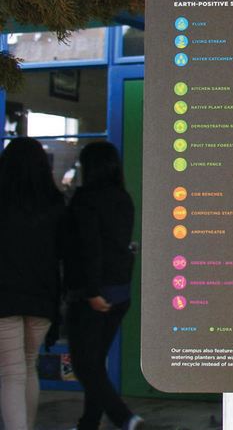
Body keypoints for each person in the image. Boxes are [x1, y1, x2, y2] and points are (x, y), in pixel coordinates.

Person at [64, 141, 143, 430]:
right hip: (120, 292)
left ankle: (126, 419)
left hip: (94, 294)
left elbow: (90, 246)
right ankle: (89, 423)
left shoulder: (86, 199)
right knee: (95, 364)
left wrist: (92, 291)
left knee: (85, 366)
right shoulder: (123, 198)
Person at [0, 137, 65, 430]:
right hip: (42, 296)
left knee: (10, 372)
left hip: (4, 298)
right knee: (28, 365)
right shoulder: (54, 203)